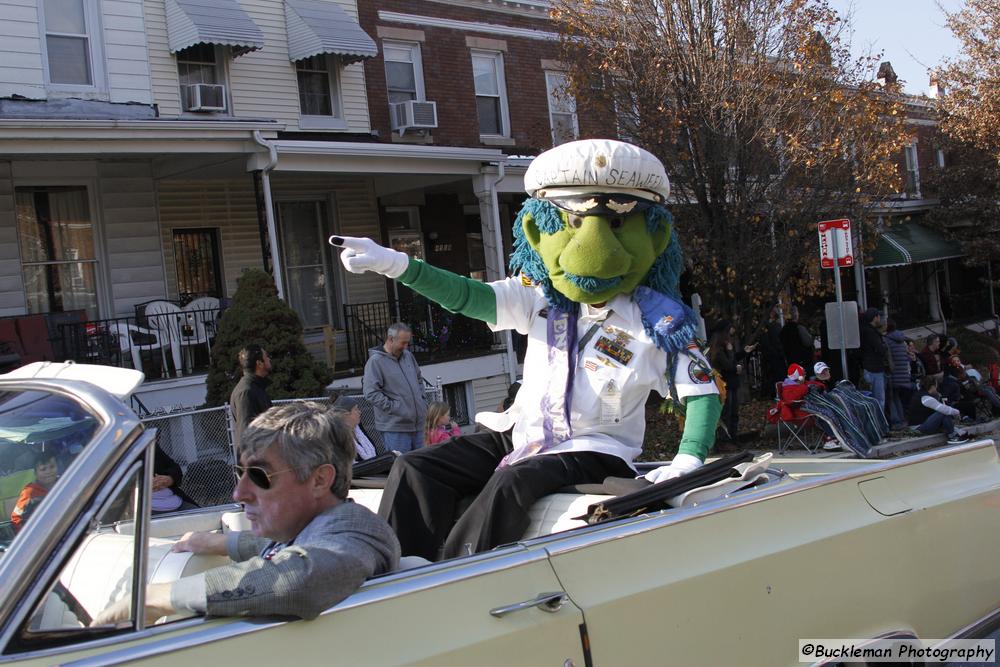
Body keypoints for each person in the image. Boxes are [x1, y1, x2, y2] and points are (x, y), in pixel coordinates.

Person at [331, 139, 721, 561]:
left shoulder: (658, 323)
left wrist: (687, 459)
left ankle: (452, 575)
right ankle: (390, 565)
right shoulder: (539, 297)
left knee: (511, 483)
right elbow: (468, 296)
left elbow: (702, 393)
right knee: (415, 467)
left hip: (593, 448)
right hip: (523, 434)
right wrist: (394, 263)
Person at [93, 402, 400, 625]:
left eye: (259, 475)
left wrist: (153, 598)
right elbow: (291, 549)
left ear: (320, 479)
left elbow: (297, 578)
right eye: (242, 472)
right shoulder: (319, 528)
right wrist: (222, 543)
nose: (239, 493)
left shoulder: (357, 533)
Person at [363, 323, 428, 453]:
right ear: (390, 339)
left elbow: (419, 380)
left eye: (407, 343)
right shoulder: (375, 362)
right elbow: (371, 393)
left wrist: (422, 401)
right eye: (403, 343)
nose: (406, 347)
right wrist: (396, 408)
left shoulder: (408, 356)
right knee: (401, 467)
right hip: (395, 428)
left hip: (418, 425)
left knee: (422, 466)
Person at [230, 344, 272, 446]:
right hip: (257, 459)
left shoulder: (255, 388)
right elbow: (247, 434)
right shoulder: (245, 393)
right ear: (259, 363)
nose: (269, 359)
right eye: (266, 357)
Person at [908, 376, 968, 444]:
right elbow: (943, 409)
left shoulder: (922, 394)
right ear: (933, 386)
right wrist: (957, 412)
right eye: (936, 386)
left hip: (922, 424)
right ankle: (953, 436)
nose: (937, 388)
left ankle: (955, 433)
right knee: (942, 412)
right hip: (918, 428)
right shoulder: (925, 398)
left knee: (943, 414)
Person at [10, 449, 59, 531]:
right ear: (35, 473)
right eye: (43, 469)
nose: (48, 471)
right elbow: (16, 518)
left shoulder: (65, 483)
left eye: (52, 467)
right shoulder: (29, 492)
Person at [152, 446, 199, 515]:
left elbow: (175, 468)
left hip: (176, 501)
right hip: (151, 509)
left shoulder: (152, 447)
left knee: (203, 518)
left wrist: (170, 479)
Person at [858, 308, 887, 416]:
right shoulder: (871, 333)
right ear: (875, 317)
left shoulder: (863, 331)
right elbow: (880, 349)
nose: (880, 318)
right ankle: (880, 425)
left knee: (872, 398)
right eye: (878, 316)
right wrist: (884, 347)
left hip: (867, 367)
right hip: (875, 368)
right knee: (879, 399)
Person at [884, 319, 912, 429]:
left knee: (892, 398)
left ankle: (896, 421)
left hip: (894, 374)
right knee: (897, 398)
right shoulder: (902, 340)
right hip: (904, 374)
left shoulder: (887, 340)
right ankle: (902, 419)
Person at [331, 395, 378, 461]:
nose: (360, 412)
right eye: (356, 409)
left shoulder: (358, 429)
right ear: (346, 414)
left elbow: (375, 453)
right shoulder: (337, 436)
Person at [779, 306, 814, 371]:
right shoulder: (799, 328)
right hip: (802, 360)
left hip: (790, 360)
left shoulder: (783, 330)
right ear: (796, 315)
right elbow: (808, 342)